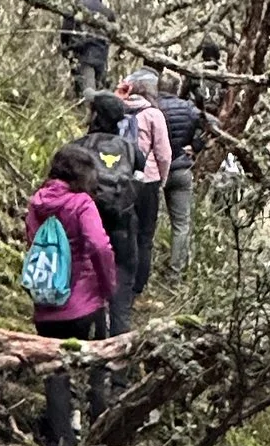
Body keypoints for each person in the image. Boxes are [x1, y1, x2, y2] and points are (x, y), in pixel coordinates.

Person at [21, 146, 118, 446]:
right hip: (84, 299)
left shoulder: (37, 202)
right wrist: (107, 285)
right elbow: (100, 246)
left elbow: (34, 243)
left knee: (55, 371)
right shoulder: (81, 203)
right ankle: (102, 430)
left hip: (47, 300)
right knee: (99, 359)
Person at [73, 92, 143, 333]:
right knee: (121, 299)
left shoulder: (77, 149)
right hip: (123, 227)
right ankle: (119, 362)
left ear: (94, 115)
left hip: (87, 232)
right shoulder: (132, 150)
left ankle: (92, 352)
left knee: (89, 294)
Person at [116, 71, 171, 302]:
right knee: (145, 235)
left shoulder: (117, 108)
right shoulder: (153, 114)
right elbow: (164, 153)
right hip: (147, 180)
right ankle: (137, 286)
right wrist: (162, 179)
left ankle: (119, 279)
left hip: (119, 177)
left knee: (122, 231)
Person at [154, 69, 205, 281]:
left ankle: (143, 271)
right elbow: (212, 125)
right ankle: (175, 274)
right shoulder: (189, 109)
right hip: (182, 169)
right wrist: (195, 146)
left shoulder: (152, 107)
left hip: (156, 171)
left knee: (147, 222)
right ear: (177, 88)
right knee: (181, 224)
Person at [60, 0, 112, 100]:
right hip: (100, 57)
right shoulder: (108, 13)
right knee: (97, 92)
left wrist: (65, 46)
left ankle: (83, 115)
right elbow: (113, 35)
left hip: (82, 54)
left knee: (86, 92)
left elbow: (66, 29)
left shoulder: (78, 7)